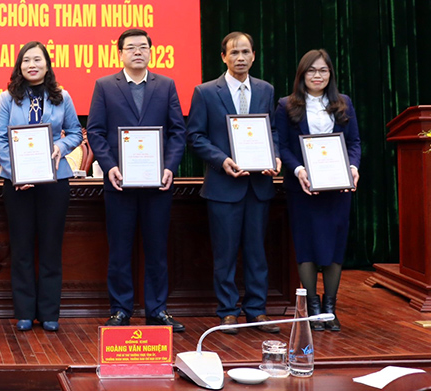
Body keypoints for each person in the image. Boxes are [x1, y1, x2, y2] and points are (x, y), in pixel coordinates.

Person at [85, 28, 187, 332]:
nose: (138, 52)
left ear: (151, 51)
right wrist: (109, 166)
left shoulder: (166, 85)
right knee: (120, 250)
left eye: (143, 47)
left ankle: (157, 310)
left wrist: (170, 167)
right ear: (120, 54)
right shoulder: (105, 86)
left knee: (157, 249)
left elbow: (177, 131)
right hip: (119, 183)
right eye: (131, 47)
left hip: (158, 183)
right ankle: (120, 309)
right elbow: (95, 131)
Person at [186, 32, 282, 334]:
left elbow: (273, 130)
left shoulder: (265, 90)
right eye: (234, 53)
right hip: (223, 185)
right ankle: (227, 311)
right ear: (223, 57)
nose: (240, 58)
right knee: (225, 253)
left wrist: (275, 156)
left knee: (257, 252)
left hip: (258, 186)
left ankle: (256, 310)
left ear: (254, 55)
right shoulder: (205, 92)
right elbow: (195, 136)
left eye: (245, 52)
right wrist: (222, 160)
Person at [0, 41, 82, 332]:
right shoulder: (7, 98)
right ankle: (25, 312)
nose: (32, 65)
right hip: (17, 184)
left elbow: (76, 133)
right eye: (26, 60)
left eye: (37, 60)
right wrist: (16, 172)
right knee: (21, 248)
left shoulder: (62, 96)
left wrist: (60, 146)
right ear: (19, 66)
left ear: (47, 65)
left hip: (54, 180)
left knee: (51, 247)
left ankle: (49, 312)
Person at [274, 49, 360, 332]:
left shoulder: (343, 102)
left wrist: (352, 167)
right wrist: (299, 170)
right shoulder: (286, 105)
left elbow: (354, 143)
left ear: (330, 74)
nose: (317, 76)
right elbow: (282, 146)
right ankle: (312, 308)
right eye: (311, 70)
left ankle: (330, 308)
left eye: (323, 70)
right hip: (303, 188)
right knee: (306, 245)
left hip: (337, 189)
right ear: (302, 74)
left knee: (335, 246)